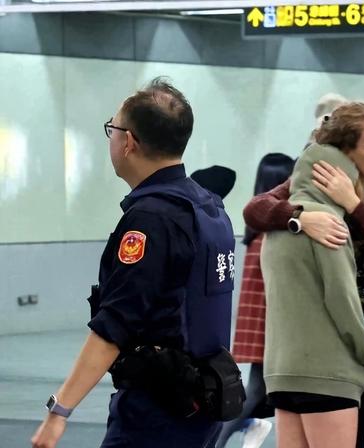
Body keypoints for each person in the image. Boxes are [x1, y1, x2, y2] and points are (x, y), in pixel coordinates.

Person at [31, 78, 236, 448]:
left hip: (156, 412)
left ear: (128, 141)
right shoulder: (207, 207)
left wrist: (58, 411)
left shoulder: (152, 220)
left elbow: (115, 325)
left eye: (112, 127)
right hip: (202, 400)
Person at [242, 102, 364, 448]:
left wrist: (355, 206)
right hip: (336, 347)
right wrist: (298, 217)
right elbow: (255, 209)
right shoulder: (318, 182)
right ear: (345, 151)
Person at [263, 143, 364, 448]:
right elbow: (342, 298)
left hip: (281, 371)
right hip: (328, 375)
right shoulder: (329, 222)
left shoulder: (277, 225)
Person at [215, 154, 295, 448]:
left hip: (260, 321)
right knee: (258, 390)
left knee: (260, 389)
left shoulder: (258, 230)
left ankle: (243, 428)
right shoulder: (273, 233)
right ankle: (218, 439)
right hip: (269, 323)